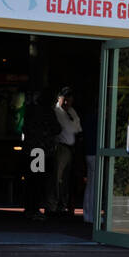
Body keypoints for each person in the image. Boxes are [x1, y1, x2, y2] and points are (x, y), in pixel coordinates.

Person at [21, 91, 60, 221]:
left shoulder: (30, 111)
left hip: (31, 149)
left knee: (31, 180)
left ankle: (29, 208)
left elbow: (25, 128)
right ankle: (35, 209)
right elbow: (57, 129)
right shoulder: (48, 112)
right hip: (42, 150)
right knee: (39, 181)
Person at [50, 87, 82, 216]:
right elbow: (64, 128)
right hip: (60, 147)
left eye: (69, 100)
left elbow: (78, 129)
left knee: (66, 179)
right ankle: (53, 205)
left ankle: (62, 204)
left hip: (71, 148)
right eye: (64, 100)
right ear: (59, 98)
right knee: (56, 178)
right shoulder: (55, 111)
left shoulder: (72, 112)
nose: (66, 103)